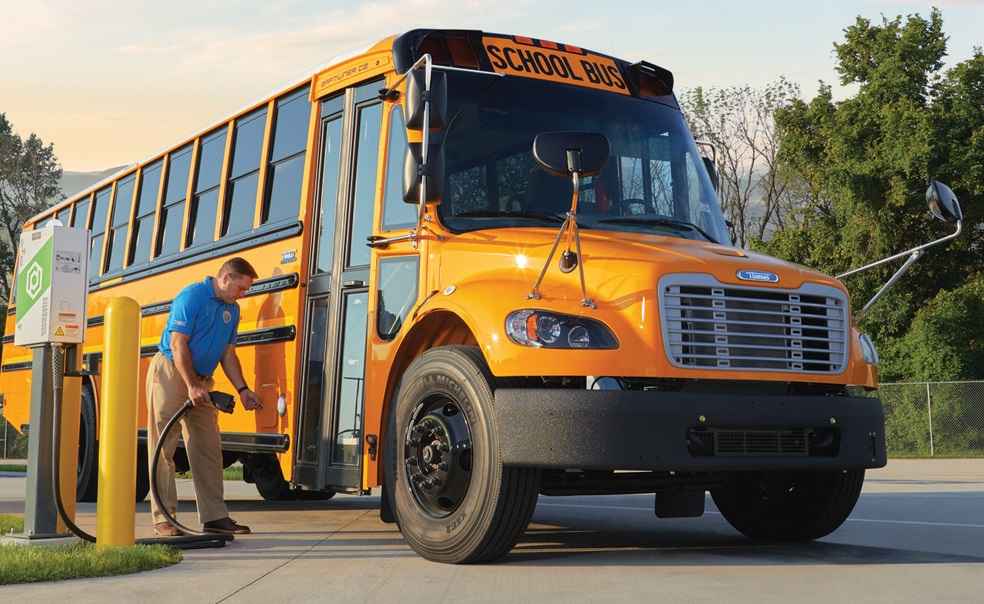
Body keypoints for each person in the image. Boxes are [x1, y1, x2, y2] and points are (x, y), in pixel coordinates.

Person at [147, 257, 262, 536]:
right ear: (225, 279)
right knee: (164, 446)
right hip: (171, 372)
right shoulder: (192, 296)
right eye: (241, 288)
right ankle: (164, 518)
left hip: (201, 379)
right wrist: (191, 385)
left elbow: (228, 354)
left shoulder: (232, 311)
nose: (243, 295)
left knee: (208, 447)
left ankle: (214, 517)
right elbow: (178, 344)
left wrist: (243, 390)